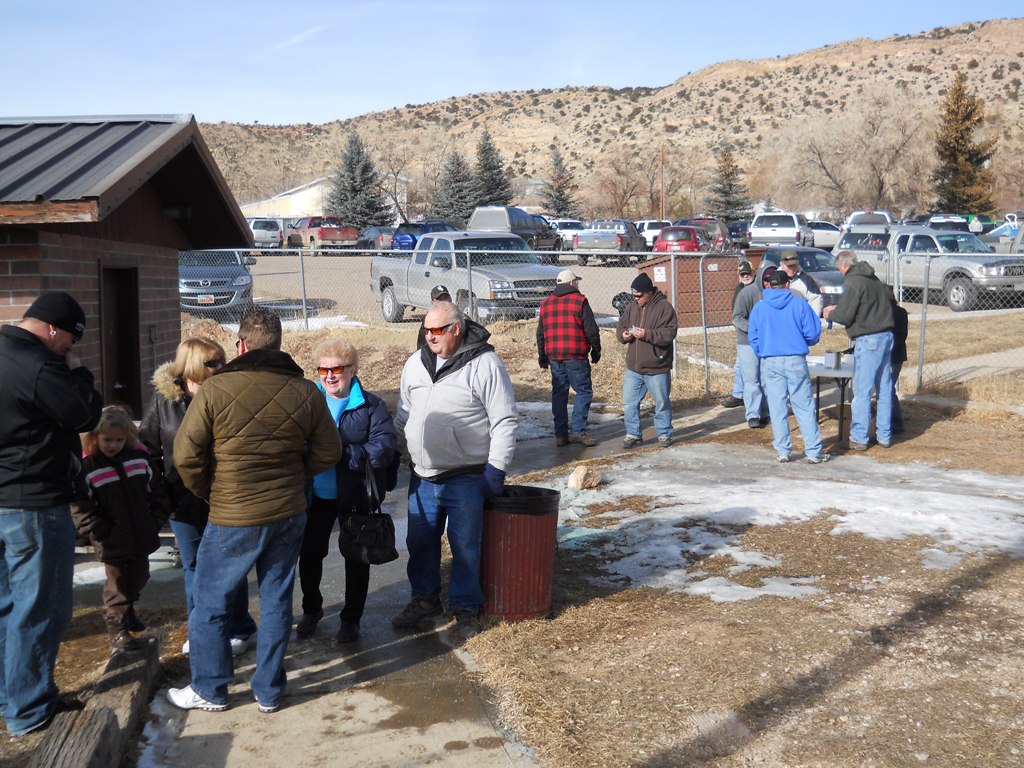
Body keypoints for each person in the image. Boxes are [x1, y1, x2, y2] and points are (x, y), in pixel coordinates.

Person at [167, 311, 342, 713]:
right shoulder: (307, 392)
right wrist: (296, 475)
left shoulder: (215, 390)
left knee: (210, 601)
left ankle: (210, 689)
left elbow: (185, 454)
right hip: (288, 511)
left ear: (240, 345)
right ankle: (269, 690)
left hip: (232, 514)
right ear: (278, 345)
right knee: (278, 599)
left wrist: (210, 491)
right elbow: (329, 451)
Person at [0, 291, 102, 736]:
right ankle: (30, 709)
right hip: (32, 503)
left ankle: (11, 695)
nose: (71, 351)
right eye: (70, 342)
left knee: (6, 607)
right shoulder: (38, 365)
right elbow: (83, 413)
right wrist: (81, 375)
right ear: (54, 329)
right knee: (39, 609)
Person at [392, 301, 517, 642]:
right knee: (419, 542)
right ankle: (425, 599)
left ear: (456, 329)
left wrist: (496, 468)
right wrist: (394, 449)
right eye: (426, 329)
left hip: (466, 475)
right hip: (423, 475)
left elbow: (504, 420)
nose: (429, 336)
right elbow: (404, 413)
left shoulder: (485, 364)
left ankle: (465, 606)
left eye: (437, 330)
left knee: (464, 545)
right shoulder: (415, 364)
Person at [139, 337, 257, 656]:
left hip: (224, 499)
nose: (220, 367)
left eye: (221, 361)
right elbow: (146, 447)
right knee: (194, 568)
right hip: (182, 502)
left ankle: (239, 627)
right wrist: (160, 489)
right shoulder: (165, 402)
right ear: (191, 365)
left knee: (230, 567)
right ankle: (202, 630)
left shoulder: (228, 394)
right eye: (212, 362)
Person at [295, 338, 397, 643]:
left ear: (352, 369)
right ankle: (311, 609)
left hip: (353, 495)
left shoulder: (371, 405)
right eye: (322, 369)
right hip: (315, 496)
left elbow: (384, 447)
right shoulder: (307, 401)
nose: (329, 375)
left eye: (336, 368)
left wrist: (344, 454)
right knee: (310, 554)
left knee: (357, 557)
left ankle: (351, 618)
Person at [71, 407, 170, 650]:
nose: (113, 445)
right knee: (116, 585)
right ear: (95, 438)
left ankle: (128, 611)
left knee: (139, 576)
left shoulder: (139, 461)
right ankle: (117, 628)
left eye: (119, 439)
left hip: (141, 534)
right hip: (111, 539)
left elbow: (157, 491)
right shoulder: (90, 469)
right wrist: (100, 531)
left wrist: (154, 520)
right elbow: (81, 507)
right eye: (107, 440)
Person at [748, 271, 830, 464]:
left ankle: (783, 451)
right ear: (787, 285)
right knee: (803, 406)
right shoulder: (799, 305)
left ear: (769, 286)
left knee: (777, 408)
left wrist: (764, 350)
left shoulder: (759, 308)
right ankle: (813, 452)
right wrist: (803, 342)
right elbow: (812, 332)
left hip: (770, 360)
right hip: (795, 359)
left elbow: (753, 337)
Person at [823, 251, 895, 451]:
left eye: (839, 269)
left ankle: (859, 437)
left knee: (862, 391)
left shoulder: (853, 283)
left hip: (869, 340)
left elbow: (845, 316)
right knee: (884, 389)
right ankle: (884, 436)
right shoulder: (874, 280)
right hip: (887, 337)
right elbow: (864, 307)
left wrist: (830, 313)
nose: (840, 273)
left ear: (844, 266)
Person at [537, 269, 602, 447]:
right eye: (577, 282)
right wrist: (596, 350)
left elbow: (540, 334)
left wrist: (542, 356)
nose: (578, 284)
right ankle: (578, 431)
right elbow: (591, 330)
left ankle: (561, 435)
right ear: (572, 283)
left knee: (559, 394)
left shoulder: (546, 304)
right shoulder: (580, 301)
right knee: (583, 391)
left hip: (555, 357)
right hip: (576, 357)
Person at [616, 273, 678, 448]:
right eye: (633, 296)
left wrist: (646, 335)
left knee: (661, 402)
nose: (636, 299)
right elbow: (621, 325)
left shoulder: (664, 308)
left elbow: (669, 333)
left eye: (639, 295)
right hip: (634, 368)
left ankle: (664, 433)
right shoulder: (631, 308)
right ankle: (633, 433)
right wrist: (624, 335)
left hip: (656, 367)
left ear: (649, 292)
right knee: (629, 403)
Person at [732, 264, 777, 429]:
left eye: (771, 281)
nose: (768, 284)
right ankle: (753, 414)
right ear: (760, 278)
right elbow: (737, 318)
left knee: (766, 379)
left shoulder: (774, 294)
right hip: (747, 343)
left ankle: (765, 412)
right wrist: (754, 328)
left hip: (767, 343)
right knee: (751, 380)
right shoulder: (747, 293)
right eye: (766, 280)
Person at [722, 260, 755, 408]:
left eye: (748, 273)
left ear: (753, 272)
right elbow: (737, 315)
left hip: (757, 335)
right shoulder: (739, 289)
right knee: (739, 365)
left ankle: (742, 395)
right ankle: (738, 394)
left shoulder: (758, 288)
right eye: (743, 274)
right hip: (744, 335)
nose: (746, 276)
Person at [887, 286, 909, 434]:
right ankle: (891, 420)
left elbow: (900, 336)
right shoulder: (900, 312)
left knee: (887, 389)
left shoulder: (895, 313)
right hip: (896, 355)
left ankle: (895, 422)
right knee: (887, 388)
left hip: (893, 356)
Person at [778, 251, 823, 317]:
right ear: (781, 264)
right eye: (789, 266)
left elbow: (816, 299)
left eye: (794, 265)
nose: (792, 269)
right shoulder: (774, 280)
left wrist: (813, 319)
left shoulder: (806, 280)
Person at [415, 285, 453, 349]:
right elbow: (421, 346)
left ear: (450, 299)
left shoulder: (460, 317)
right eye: (439, 299)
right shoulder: (428, 320)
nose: (443, 301)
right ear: (432, 302)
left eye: (445, 297)